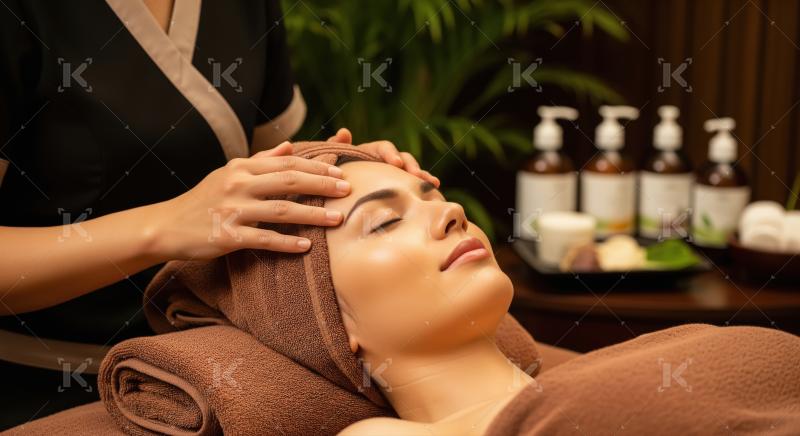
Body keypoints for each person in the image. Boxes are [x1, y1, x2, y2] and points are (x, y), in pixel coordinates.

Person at [0, 0, 436, 429]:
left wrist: (352, 169)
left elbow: (271, 171)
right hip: (37, 390)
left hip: (213, 379)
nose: (450, 214)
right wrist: (166, 225)